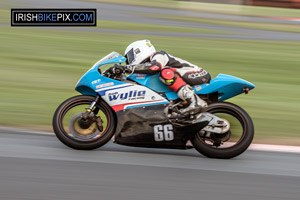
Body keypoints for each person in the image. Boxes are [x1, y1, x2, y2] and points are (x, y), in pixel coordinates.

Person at [109, 39, 211, 115]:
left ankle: (196, 102)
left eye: (130, 57)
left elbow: (154, 66)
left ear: (137, 51)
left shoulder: (159, 55)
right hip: (186, 78)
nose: (129, 61)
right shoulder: (147, 69)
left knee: (166, 73)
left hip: (198, 74)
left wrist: (125, 68)